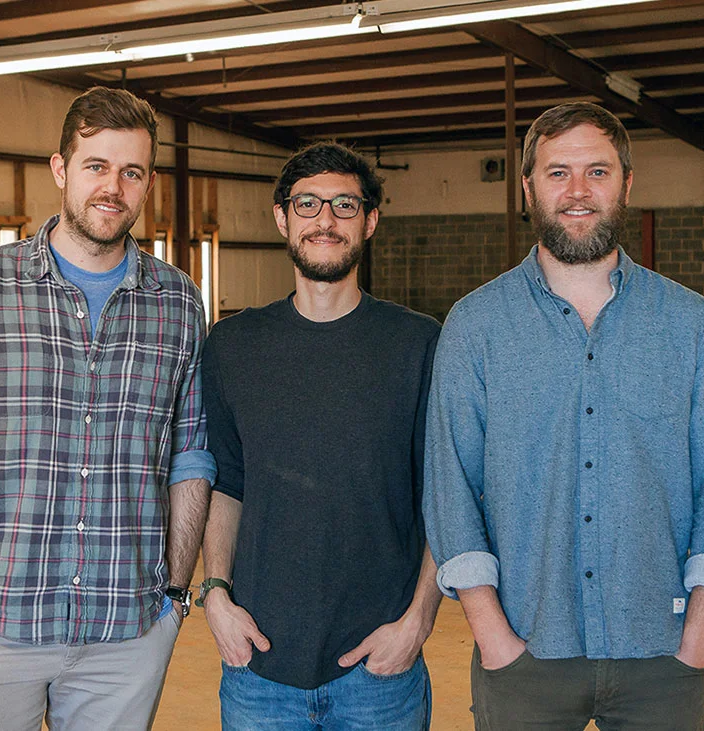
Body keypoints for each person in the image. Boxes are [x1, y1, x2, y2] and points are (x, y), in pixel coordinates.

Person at [0, 86, 214, 731]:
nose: (112, 187)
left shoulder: (178, 302)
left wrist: (173, 597)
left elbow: (191, 458)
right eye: (96, 165)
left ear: (148, 185)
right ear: (61, 169)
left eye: (132, 172)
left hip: (127, 631)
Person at [423, 102, 704, 730]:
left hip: (662, 653)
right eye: (557, 173)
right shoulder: (476, 325)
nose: (577, 191)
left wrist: (697, 643)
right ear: (528, 188)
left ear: (627, 183)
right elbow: (451, 488)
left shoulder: (690, 324)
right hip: (523, 654)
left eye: (597, 172)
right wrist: (495, 638)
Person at [198, 142, 442, 730]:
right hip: (259, 667)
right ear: (282, 218)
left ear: (370, 221)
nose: (324, 220)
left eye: (343, 205)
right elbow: (226, 483)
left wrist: (418, 621)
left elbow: (445, 494)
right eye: (307, 204)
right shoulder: (233, 346)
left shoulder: (418, 346)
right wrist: (215, 595)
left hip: (379, 672)